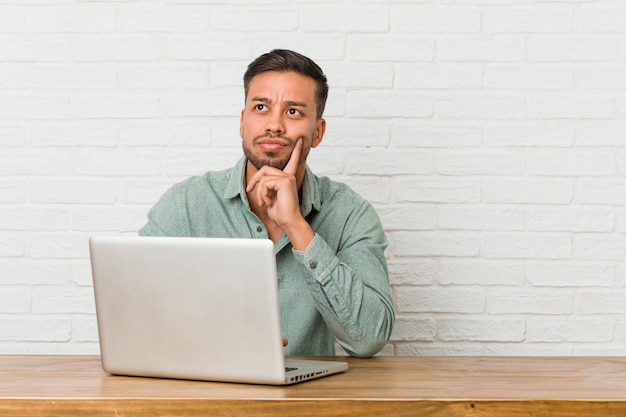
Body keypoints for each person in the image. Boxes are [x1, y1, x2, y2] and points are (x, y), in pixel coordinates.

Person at [139, 49, 394, 358]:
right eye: (261, 107)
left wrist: (297, 226)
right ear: (243, 122)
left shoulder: (351, 214)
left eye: (293, 112)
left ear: (318, 132)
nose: (274, 125)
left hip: (307, 402)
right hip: (204, 395)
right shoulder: (186, 204)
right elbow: (137, 311)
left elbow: (368, 339)